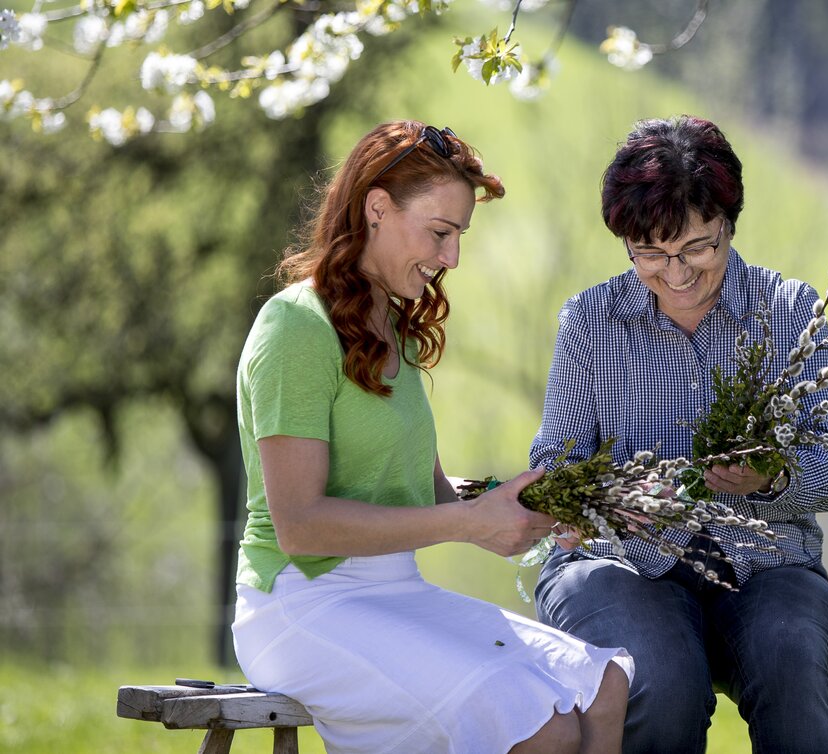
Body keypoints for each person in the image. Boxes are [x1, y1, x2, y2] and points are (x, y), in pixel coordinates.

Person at [232, 120, 632, 754]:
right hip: (302, 607)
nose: (452, 259)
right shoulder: (295, 328)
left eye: (458, 237)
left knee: (603, 685)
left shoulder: (396, 324)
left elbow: (433, 491)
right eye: (440, 233)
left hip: (396, 591)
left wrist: (522, 515)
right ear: (377, 209)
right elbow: (300, 526)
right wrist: (468, 524)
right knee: (542, 724)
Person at [530, 115, 828, 754]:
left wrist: (775, 477)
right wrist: (607, 496)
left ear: (728, 224)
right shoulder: (591, 321)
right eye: (650, 254)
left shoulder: (788, 312)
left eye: (696, 248)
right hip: (619, 565)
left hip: (766, 563)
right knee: (659, 684)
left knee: (789, 663)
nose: (674, 273)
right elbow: (554, 463)